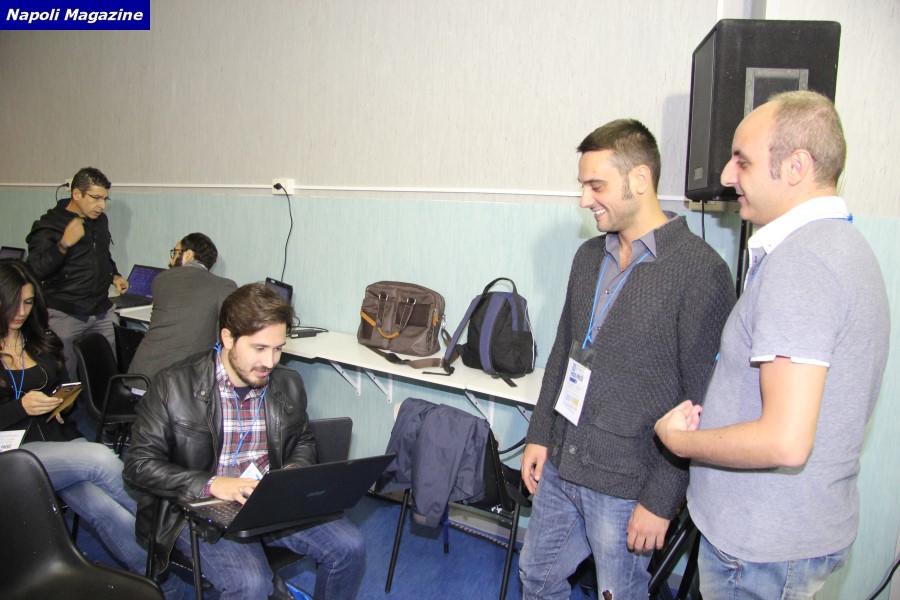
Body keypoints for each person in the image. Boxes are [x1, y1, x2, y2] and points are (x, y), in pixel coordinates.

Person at [654, 91, 890, 599]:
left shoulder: (804, 264)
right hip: (784, 532)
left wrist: (681, 442)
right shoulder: (841, 246)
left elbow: (785, 440)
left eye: (742, 161)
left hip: (761, 548)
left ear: (796, 167)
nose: (725, 176)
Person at [518, 119, 736, 600]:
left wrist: (661, 499)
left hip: (627, 484)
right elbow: (564, 352)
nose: (584, 199)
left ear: (639, 179)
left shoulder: (701, 272)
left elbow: (701, 404)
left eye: (596, 186)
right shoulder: (587, 257)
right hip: (563, 463)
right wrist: (539, 434)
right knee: (537, 579)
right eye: (582, 186)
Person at [124, 283, 365, 600]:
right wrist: (212, 484)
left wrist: (292, 473)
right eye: (259, 348)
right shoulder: (173, 385)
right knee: (251, 584)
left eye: (278, 349)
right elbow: (138, 465)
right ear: (228, 338)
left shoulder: (288, 383)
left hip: (268, 499)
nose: (270, 362)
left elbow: (303, 441)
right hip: (199, 507)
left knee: (350, 547)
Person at [0, 260, 182, 598]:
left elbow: (58, 387)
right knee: (98, 458)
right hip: (10, 458)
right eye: (13, 304)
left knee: (104, 509)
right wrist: (20, 407)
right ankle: (173, 532)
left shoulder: (36, 338)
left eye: (28, 303)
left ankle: (165, 584)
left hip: (51, 447)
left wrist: (61, 403)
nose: (21, 312)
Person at [25, 167, 126, 379]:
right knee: (66, 378)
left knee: (107, 375)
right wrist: (63, 244)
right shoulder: (50, 224)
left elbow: (101, 255)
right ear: (77, 194)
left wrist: (113, 275)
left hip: (101, 310)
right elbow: (34, 270)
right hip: (65, 313)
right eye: (95, 198)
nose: (101, 205)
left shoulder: (100, 221)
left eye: (105, 199)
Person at [128, 232, 237, 382]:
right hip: (181, 383)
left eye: (175, 253)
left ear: (189, 255)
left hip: (141, 376)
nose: (170, 261)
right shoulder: (224, 286)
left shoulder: (160, 279)